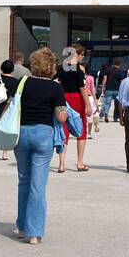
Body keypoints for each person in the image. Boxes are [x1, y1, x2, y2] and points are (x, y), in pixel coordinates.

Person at [14, 47, 68, 244]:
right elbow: (61, 116)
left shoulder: (23, 82)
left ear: (34, 65)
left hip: (22, 133)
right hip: (43, 134)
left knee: (23, 181)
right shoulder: (55, 88)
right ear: (52, 67)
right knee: (38, 185)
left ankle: (21, 226)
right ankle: (34, 232)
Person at [57, 43, 92, 173]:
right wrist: (88, 104)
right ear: (77, 54)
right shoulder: (79, 69)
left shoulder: (61, 67)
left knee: (63, 129)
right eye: (83, 55)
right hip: (76, 99)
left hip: (63, 98)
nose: (83, 57)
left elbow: (59, 82)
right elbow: (82, 88)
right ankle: (80, 162)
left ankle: (61, 164)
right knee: (81, 128)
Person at [101, 58, 124, 122]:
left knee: (107, 103)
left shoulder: (108, 70)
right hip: (117, 90)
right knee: (117, 104)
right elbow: (122, 82)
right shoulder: (120, 72)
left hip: (109, 89)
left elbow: (104, 79)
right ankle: (115, 118)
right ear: (120, 64)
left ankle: (106, 113)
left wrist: (103, 87)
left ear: (114, 63)